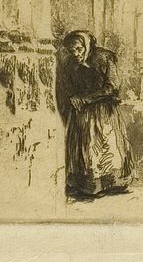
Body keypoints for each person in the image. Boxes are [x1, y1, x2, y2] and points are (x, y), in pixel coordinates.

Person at [56, 31, 134, 199]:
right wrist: (73, 98)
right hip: (83, 114)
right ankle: (89, 184)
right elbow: (66, 86)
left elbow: (112, 86)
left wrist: (87, 98)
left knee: (106, 145)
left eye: (79, 49)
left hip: (104, 110)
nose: (76, 54)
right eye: (72, 51)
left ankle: (112, 182)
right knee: (87, 148)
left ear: (86, 46)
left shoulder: (103, 57)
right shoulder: (69, 63)